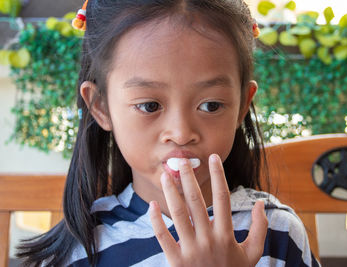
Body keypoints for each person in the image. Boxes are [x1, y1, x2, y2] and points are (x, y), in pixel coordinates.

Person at [17, 0, 320, 266]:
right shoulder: (79, 251)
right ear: (101, 107)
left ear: (242, 105)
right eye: (149, 105)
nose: (181, 133)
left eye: (211, 105)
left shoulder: (273, 230)